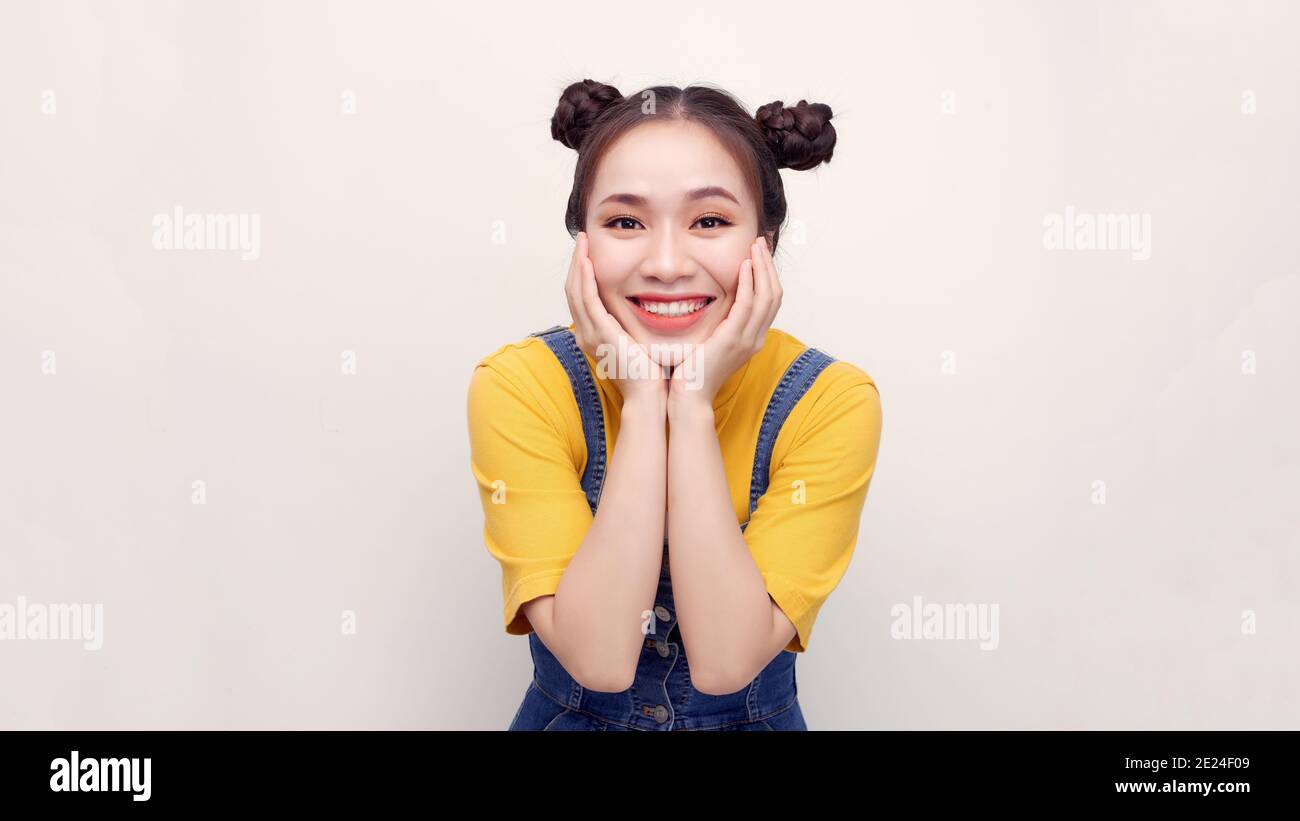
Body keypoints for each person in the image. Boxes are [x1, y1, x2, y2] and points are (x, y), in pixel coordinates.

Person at [466, 80, 883, 730]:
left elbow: (725, 660)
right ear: (583, 246)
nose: (664, 263)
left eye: (710, 221)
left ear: (764, 241)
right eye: (624, 222)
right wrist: (640, 403)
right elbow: (600, 659)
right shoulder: (520, 385)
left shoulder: (830, 402)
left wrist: (689, 402)